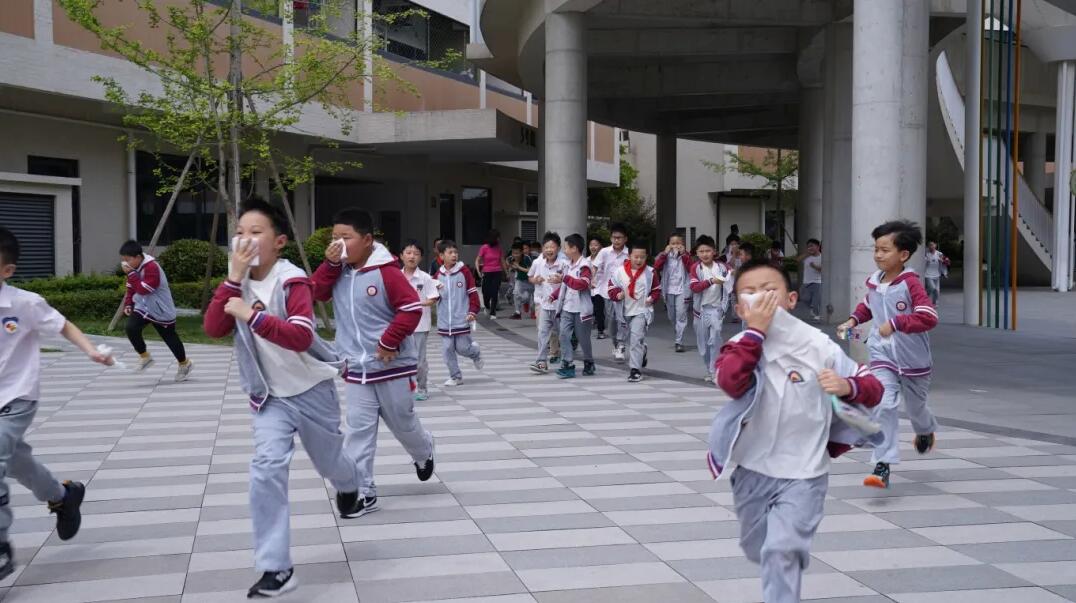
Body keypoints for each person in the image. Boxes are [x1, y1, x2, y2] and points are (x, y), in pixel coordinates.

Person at [203, 200, 363, 598]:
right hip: (270, 398)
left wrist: (252, 315)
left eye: (256, 232)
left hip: (312, 392)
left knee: (331, 462)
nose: (245, 239)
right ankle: (276, 567)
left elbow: (301, 336)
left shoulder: (292, 281)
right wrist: (232, 280)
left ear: (279, 242)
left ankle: (349, 484)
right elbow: (213, 328)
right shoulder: (237, 282)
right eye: (240, 232)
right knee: (266, 468)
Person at [708, 258, 884, 603]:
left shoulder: (818, 346)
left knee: (782, 551)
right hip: (753, 470)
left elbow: (872, 386)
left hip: (805, 473)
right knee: (758, 547)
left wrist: (848, 386)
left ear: (791, 299)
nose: (760, 298)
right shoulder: (740, 345)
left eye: (769, 290)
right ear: (740, 308)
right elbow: (730, 381)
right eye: (749, 293)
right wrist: (756, 333)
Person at [312, 209, 435, 516]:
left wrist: (388, 341)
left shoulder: (386, 272)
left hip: (392, 365)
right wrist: (330, 264)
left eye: (346, 237)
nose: (338, 244)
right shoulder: (337, 270)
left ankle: (424, 451)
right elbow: (317, 292)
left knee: (403, 423)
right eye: (334, 238)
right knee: (358, 429)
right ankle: (361, 491)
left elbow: (411, 309)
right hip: (356, 366)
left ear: (367, 240)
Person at [0, 226, 91, 581]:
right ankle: (63, 496)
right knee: (17, 463)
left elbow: (64, 326)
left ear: (7, 270)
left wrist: (91, 350)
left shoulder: (24, 303)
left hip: (16, 398)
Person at [838, 220, 939, 489]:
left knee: (916, 409)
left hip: (913, 360)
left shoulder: (911, 284)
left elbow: (929, 317)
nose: (878, 255)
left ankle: (925, 429)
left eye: (885, 250)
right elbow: (868, 305)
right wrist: (852, 320)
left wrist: (896, 323)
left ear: (903, 255)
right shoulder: (875, 281)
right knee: (884, 404)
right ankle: (882, 464)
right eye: (876, 249)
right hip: (882, 355)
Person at [119, 239, 193, 381]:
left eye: (128, 259)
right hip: (143, 306)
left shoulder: (152, 267)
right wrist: (128, 304)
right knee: (131, 328)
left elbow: (144, 289)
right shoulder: (134, 268)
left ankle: (185, 364)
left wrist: (131, 274)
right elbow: (131, 287)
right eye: (124, 260)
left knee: (169, 337)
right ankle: (145, 357)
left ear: (138, 257)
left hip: (160, 309)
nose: (125, 263)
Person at [608, 241, 661, 382]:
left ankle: (635, 370)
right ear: (629, 256)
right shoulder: (619, 272)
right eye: (636, 257)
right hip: (624, 311)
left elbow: (656, 290)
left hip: (641, 311)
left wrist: (651, 298)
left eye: (642, 257)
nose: (639, 260)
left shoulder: (650, 272)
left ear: (646, 257)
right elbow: (611, 288)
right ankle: (642, 350)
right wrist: (617, 294)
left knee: (635, 339)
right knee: (628, 339)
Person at [435, 240, 484, 386]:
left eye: (455, 252)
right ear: (441, 256)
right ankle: (456, 376)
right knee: (447, 349)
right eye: (450, 252)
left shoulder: (464, 272)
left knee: (462, 349)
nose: (454, 255)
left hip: (462, 319)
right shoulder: (437, 275)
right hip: (444, 321)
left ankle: (475, 353)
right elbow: (433, 295)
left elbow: (473, 294)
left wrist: (472, 311)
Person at [549, 234, 596, 378]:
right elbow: (565, 286)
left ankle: (589, 361)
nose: (564, 250)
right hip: (567, 308)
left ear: (574, 248)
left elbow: (582, 284)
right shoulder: (567, 265)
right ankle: (568, 364)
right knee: (563, 335)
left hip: (581, 310)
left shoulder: (585, 266)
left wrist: (564, 278)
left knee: (583, 339)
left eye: (566, 247)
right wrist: (554, 295)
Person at [401, 241, 440, 401]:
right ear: (401, 256)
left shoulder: (425, 278)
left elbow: (433, 298)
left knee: (419, 360)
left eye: (416, 254)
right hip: (399, 325)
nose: (412, 256)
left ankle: (422, 388)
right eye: (408, 253)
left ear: (421, 258)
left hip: (420, 325)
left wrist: (418, 304)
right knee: (401, 359)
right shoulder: (396, 276)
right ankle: (404, 388)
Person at [689, 235, 730, 382]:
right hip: (700, 311)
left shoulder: (722, 268)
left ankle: (715, 371)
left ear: (714, 251)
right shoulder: (696, 268)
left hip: (717, 310)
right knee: (703, 344)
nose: (705, 254)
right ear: (697, 253)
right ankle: (709, 369)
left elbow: (731, 281)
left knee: (715, 339)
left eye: (708, 251)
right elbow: (694, 287)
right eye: (701, 251)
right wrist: (711, 281)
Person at [528, 232, 569, 373]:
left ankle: (566, 361)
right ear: (542, 249)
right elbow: (530, 277)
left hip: (561, 306)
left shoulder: (564, 264)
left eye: (552, 247)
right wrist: (536, 280)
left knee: (562, 334)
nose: (549, 250)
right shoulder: (538, 263)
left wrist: (562, 280)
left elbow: (571, 282)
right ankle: (541, 362)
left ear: (558, 248)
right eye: (546, 247)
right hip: (544, 304)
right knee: (542, 332)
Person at [593, 224, 629, 360]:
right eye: (614, 237)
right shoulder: (604, 252)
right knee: (611, 320)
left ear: (625, 239)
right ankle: (616, 343)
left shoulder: (629, 253)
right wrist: (592, 279)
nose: (616, 240)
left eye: (619, 238)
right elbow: (595, 267)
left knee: (622, 319)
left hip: (625, 292)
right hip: (608, 291)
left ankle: (621, 344)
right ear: (611, 238)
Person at [654, 232, 692, 352]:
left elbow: (691, 268)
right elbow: (656, 267)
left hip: (682, 290)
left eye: (678, 243)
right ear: (668, 244)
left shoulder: (686, 255)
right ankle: (678, 333)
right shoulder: (663, 255)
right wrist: (664, 254)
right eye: (673, 243)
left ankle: (679, 341)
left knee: (681, 314)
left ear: (683, 244)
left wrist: (684, 254)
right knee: (672, 316)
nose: (676, 246)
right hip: (669, 290)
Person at [475, 230, 505, 319]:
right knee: (486, 292)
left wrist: (506, 272)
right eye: (497, 237)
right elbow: (477, 260)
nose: (499, 239)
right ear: (493, 238)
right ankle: (487, 306)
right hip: (486, 272)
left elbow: (502, 260)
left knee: (494, 292)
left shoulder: (499, 248)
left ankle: (493, 313)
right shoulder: (484, 247)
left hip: (497, 272)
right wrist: (478, 271)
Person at [797, 239, 824, 323]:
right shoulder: (807, 257)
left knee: (816, 300)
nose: (810, 248)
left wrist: (814, 266)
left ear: (818, 247)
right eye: (808, 246)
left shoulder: (822, 257)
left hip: (817, 282)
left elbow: (823, 269)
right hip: (806, 281)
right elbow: (797, 260)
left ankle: (817, 315)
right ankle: (812, 308)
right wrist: (807, 254)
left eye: (812, 246)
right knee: (804, 298)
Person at [587, 237, 607, 340]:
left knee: (599, 310)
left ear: (601, 247)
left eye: (595, 245)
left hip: (600, 289)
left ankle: (600, 330)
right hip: (589, 289)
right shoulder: (586, 260)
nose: (593, 247)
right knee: (590, 309)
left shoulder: (604, 260)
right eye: (591, 245)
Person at [507, 242, 534, 320]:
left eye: (517, 253)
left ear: (522, 252)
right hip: (519, 279)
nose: (515, 255)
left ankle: (529, 307)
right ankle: (517, 312)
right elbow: (508, 261)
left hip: (529, 280)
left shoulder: (526, 258)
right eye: (513, 253)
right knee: (516, 294)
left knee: (527, 297)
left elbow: (529, 270)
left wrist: (518, 267)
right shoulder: (511, 258)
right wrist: (511, 266)